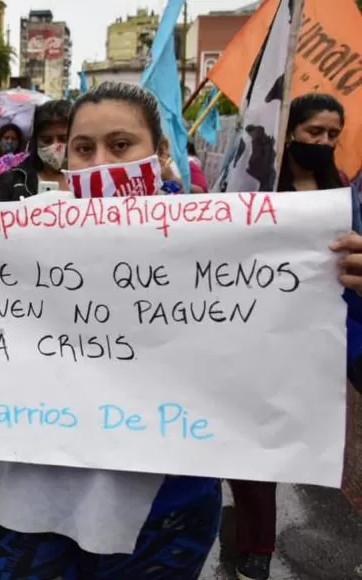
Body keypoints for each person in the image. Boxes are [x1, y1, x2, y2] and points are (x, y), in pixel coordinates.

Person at [0, 82, 223, 579]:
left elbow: (270, 364)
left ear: (160, 151)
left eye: (120, 145)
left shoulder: (213, 244)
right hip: (27, 506)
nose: (100, 162)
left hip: (162, 511)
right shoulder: (14, 235)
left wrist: (344, 294)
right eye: (83, 148)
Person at [230, 93, 348, 580]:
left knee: (270, 446)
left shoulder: (340, 193)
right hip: (243, 335)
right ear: (290, 131)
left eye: (332, 135)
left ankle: (258, 546)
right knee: (238, 444)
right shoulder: (251, 186)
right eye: (313, 132)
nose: (323, 142)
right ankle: (246, 537)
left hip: (303, 345)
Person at [0, 100, 71, 202]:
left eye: (63, 139)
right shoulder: (10, 182)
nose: (55, 146)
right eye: (46, 140)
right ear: (35, 141)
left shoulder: (88, 180)